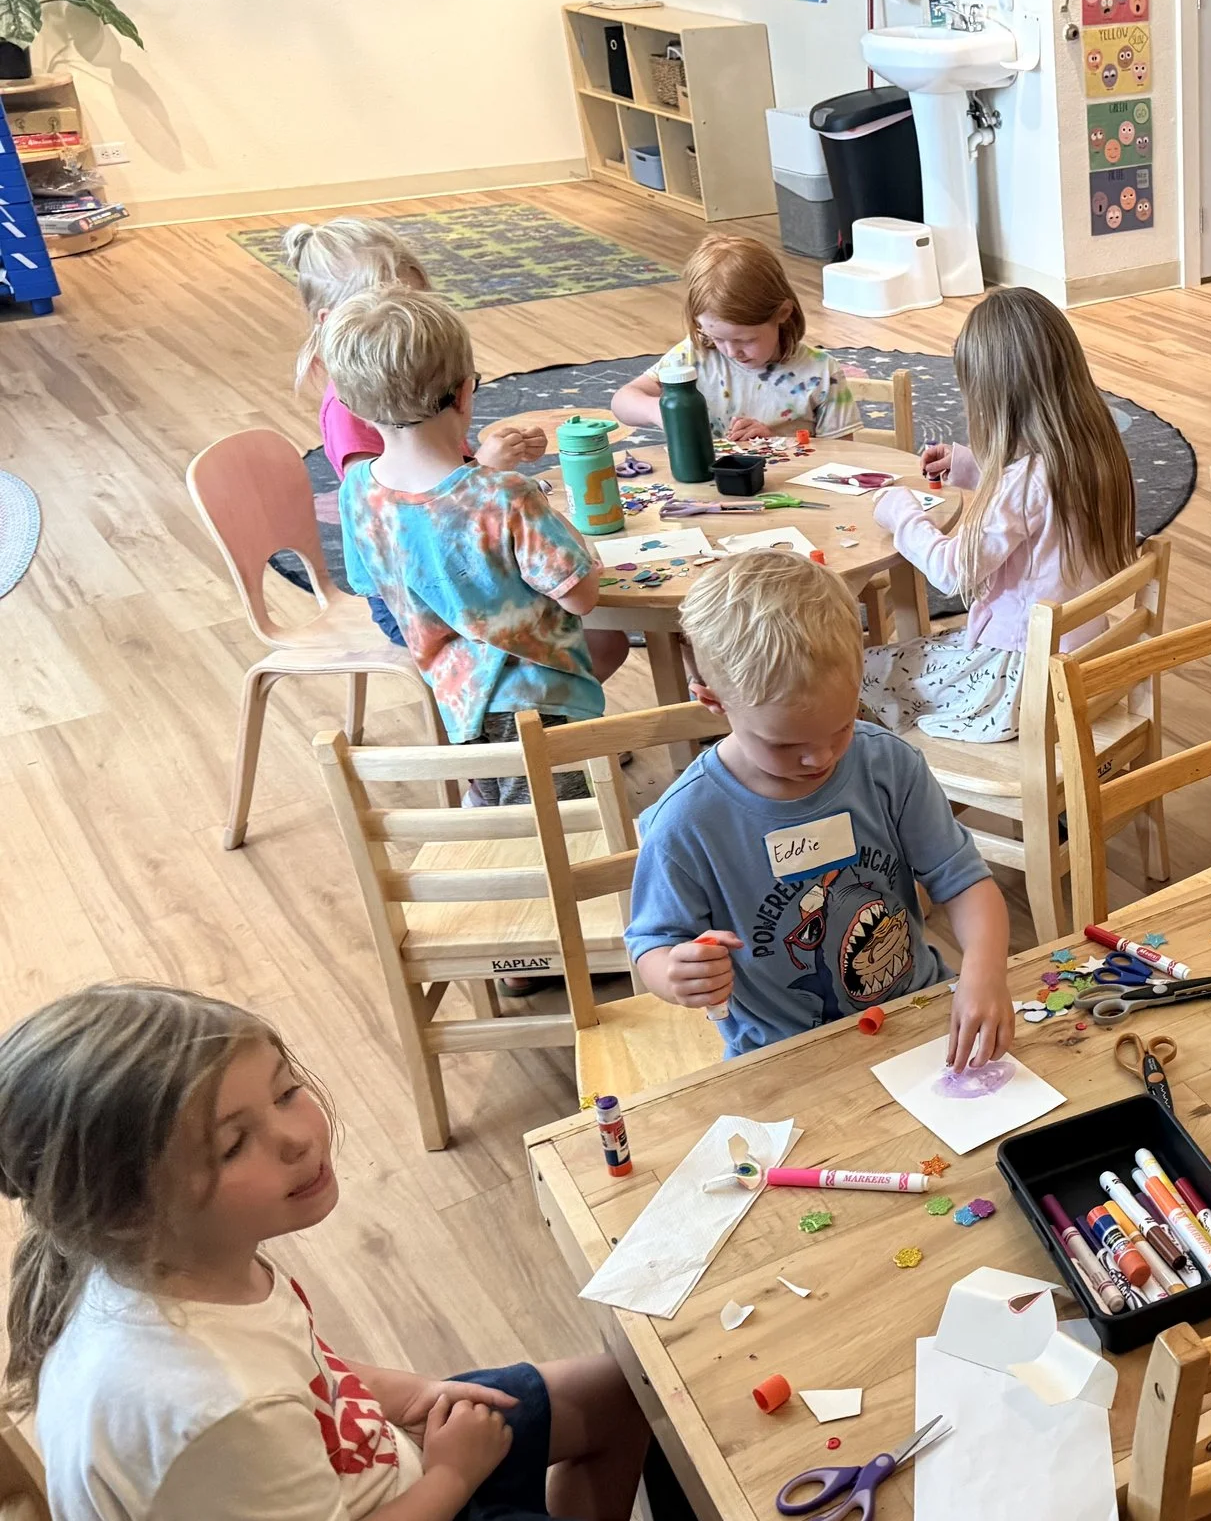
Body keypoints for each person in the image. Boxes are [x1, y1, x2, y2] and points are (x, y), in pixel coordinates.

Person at [0, 983, 686, 1521]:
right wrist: (453, 1476)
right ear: (126, 1211)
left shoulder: (175, 1266)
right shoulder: (207, 1403)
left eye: (286, 1089)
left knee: (614, 1393)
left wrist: (417, 1394)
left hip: (360, 1495)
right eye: (234, 1143)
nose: (296, 1135)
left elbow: (305, 1367)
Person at [627, 552, 1016, 1068]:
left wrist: (985, 973)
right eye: (786, 745)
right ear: (713, 702)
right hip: (783, 1051)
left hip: (917, 1008)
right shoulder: (686, 822)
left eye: (841, 726)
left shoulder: (887, 764)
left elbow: (964, 882)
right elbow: (653, 941)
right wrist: (673, 973)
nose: (821, 758)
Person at [327, 286, 628, 802]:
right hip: (541, 702)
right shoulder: (506, 495)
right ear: (467, 392)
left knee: (500, 818)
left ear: (352, 405)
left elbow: (369, 584)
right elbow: (580, 596)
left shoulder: (358, 492)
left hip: (457, 698)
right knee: (567, 836)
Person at [860, 287, 1136, 743]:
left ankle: (897, 794)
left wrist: (902, 514)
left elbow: (953, 572)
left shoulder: (1021, 483)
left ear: (993, 400)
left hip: (1023, 682)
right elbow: (1042, 511)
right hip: (1082, 654)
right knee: (912, 656)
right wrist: (976, 468)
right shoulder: (1093, 449)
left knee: (865, 671)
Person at [281, 217, 545, 645]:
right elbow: (396, 516)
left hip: (452, 566)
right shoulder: (350, 413)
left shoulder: (406, 384)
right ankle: (520, 712)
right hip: (418, 596)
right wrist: (482, 474)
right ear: (331, 322)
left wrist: (480, 465)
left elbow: (435, 473)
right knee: (585, 629)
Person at [609, 234, 862, 442]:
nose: (731, 351)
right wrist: (656, 410)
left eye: (745, 340)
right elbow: (622, 401)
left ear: (783, 313)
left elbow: (843, 457)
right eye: (717, 337)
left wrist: (776, 441)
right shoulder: (695, 355)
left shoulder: (820, 372)